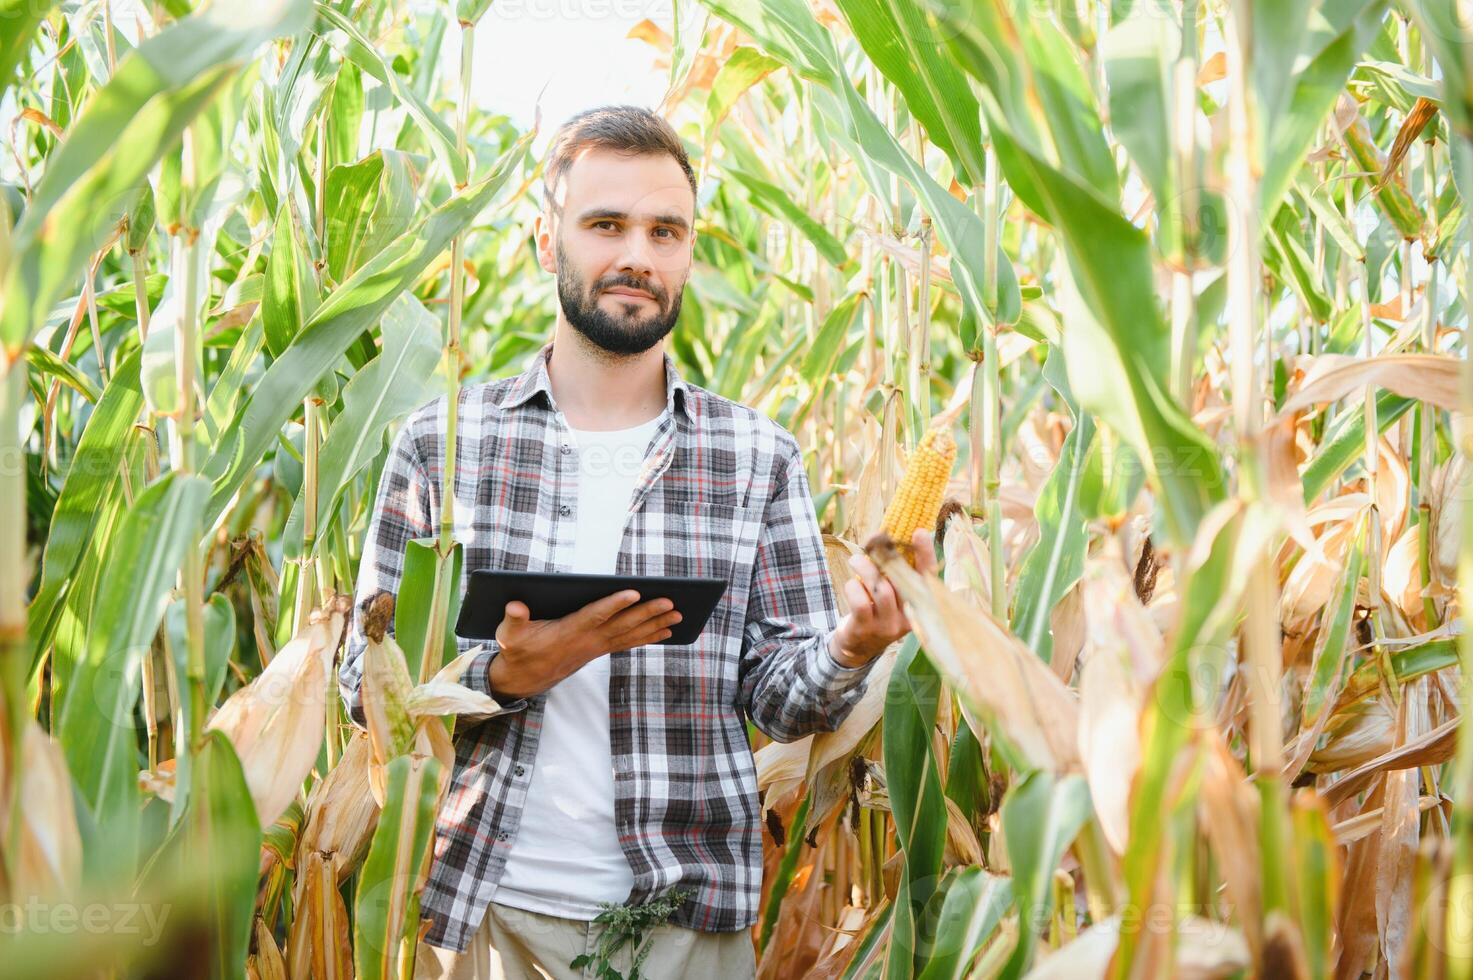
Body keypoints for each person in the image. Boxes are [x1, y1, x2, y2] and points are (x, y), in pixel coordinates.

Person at [339, 104, 935, 980]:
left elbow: (782, 703)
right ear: (547, 240)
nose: (637, 257)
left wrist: (852, 645)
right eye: (605, 225)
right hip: (485, 910)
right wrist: (503, 679)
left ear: (690, 252)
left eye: (665, 231)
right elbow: (364, 687)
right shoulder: (444, 444)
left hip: (685, 923)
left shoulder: (755, 455)